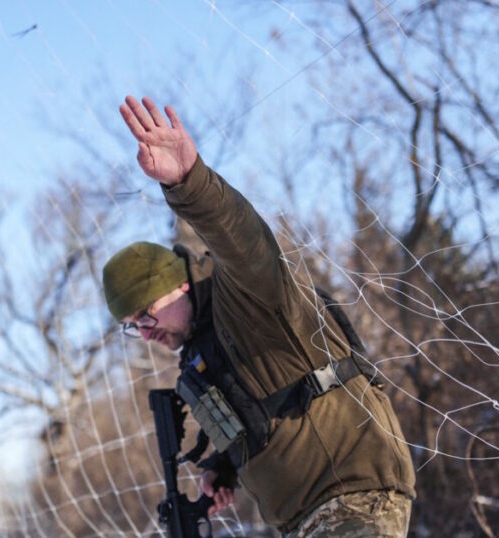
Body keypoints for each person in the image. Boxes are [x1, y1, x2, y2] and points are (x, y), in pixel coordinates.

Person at [102, 96, 415, 537]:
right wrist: (224, 469)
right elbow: (262, 413)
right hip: (306, 518)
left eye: (146, 314)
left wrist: (190, 184)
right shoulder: (203, 350)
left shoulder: (243, 296)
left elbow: (246, 242)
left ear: (180, 284)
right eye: (133, 327)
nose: (146, 333)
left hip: (352, 495)